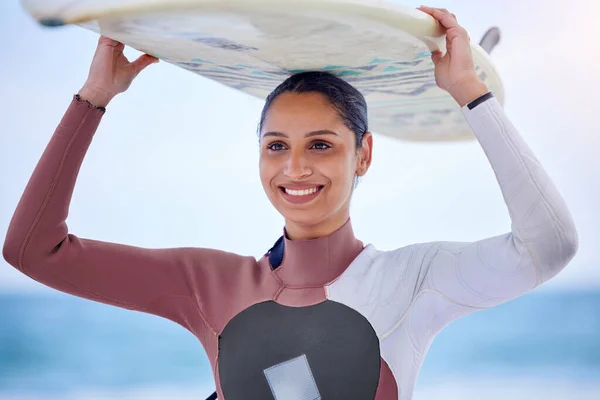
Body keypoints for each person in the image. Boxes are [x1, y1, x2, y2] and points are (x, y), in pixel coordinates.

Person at [2, 6, 578, 400]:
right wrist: (94, 98)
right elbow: (33, 250)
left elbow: (547, 246)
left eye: (321, 146)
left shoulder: (414, 279)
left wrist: (472, 97)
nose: (294, 168)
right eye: (276, 146)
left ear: (363, 156)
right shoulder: (206, 282)